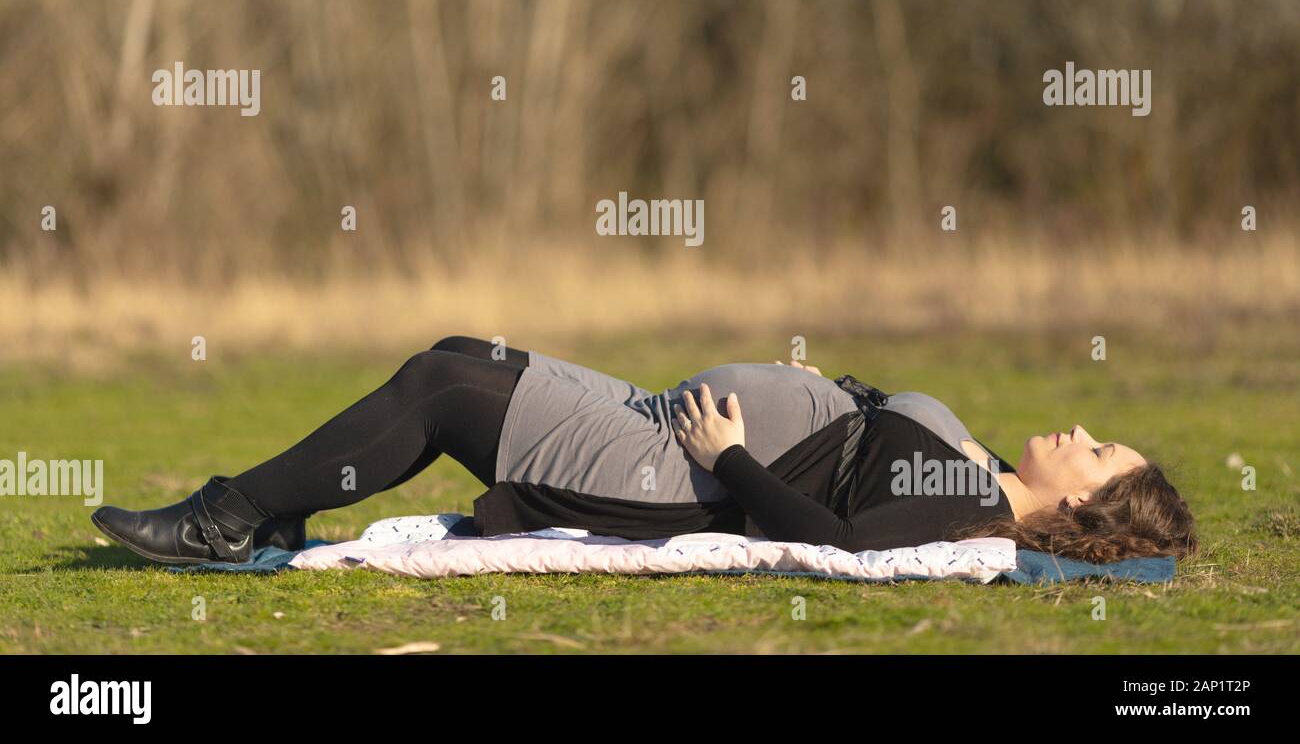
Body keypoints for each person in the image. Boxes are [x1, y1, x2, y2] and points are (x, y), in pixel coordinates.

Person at [90, 336, 1197, 566]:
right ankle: (274, 509)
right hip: (662, 411)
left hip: (669, 463)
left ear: (1085, 509)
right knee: (462, 350)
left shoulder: (965, 500)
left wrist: (732, 454)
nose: (1077, 432)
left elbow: (841, 537)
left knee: (443, 388)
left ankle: (225, 517)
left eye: (1095, 451)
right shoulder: (981, 458)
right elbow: (863, 432)